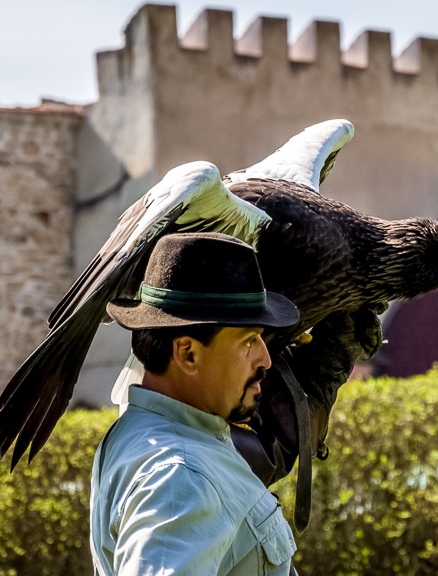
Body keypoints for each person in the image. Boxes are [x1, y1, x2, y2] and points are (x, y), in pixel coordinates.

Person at [90, 232, 384, 576]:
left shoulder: (146, 432)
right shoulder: (179, 477)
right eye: (248, 341)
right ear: (188, 353)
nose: (265, 359)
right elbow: (193, 488)